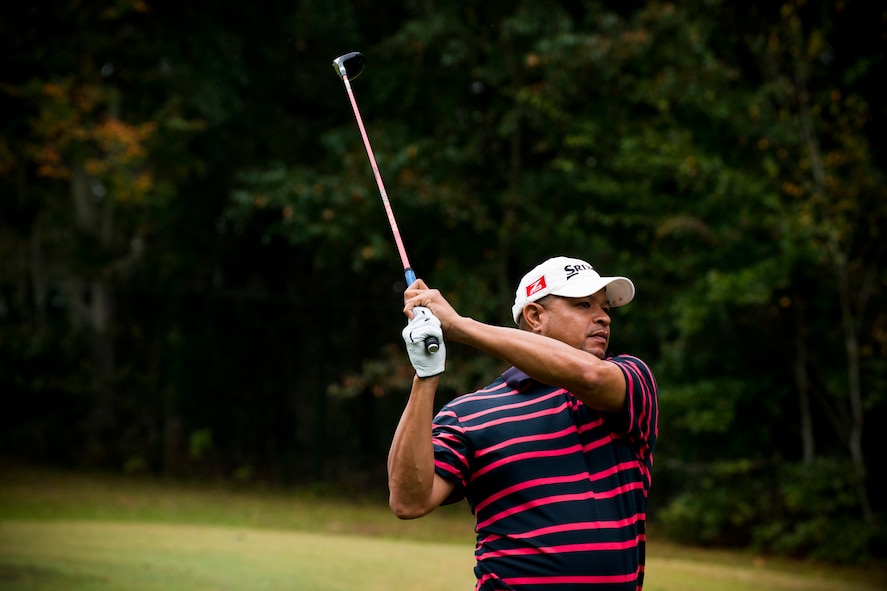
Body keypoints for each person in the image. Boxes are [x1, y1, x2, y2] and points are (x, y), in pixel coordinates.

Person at [389, 256, 659, 591]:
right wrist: (425, 375)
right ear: (534, 317)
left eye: (605, 308)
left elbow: (589, 376)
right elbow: (409, 501)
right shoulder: (469, 413)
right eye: (584, 304)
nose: (603, 316)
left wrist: (460, 326)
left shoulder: (630, 380)